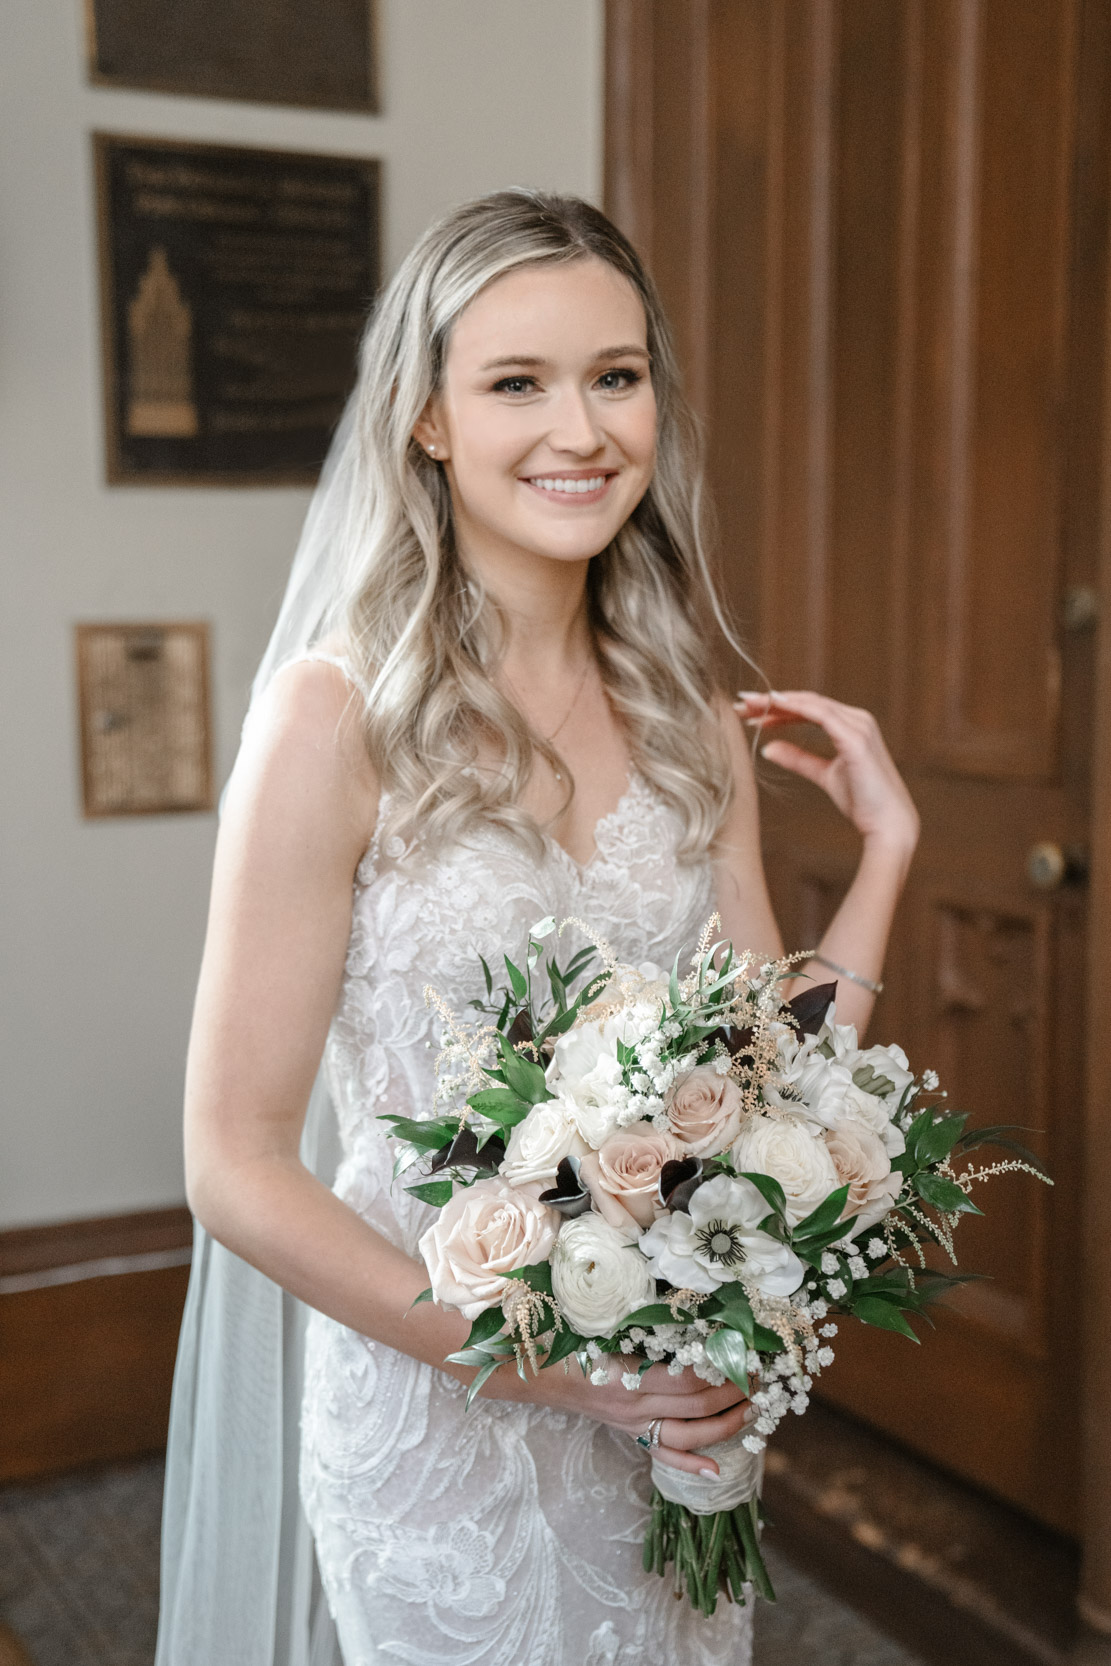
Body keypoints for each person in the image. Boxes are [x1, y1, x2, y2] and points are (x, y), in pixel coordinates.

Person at [157, 190, 919, 1666]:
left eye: (615, 376)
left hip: (668, 1403)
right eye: (518, 381)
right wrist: (564, 1373)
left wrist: (886, 849)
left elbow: (774, 1084)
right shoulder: (335, 717)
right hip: (437, 1415)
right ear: (429, 419)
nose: (581, 429)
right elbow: (232, 1164)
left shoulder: (690, 714)